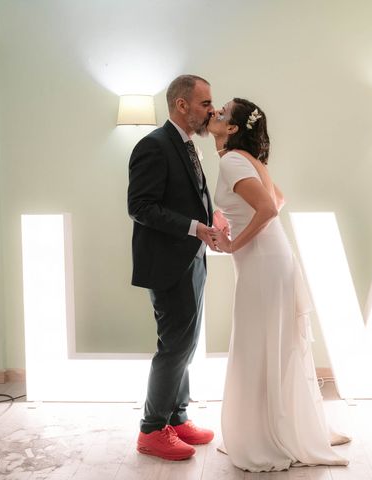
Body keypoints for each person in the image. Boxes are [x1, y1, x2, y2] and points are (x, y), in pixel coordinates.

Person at [208, 98, 350, 472]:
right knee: (270, 342)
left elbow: (270, 208)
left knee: (259, 343)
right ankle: (284, 427)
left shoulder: (231, 161)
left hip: (261, 262)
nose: (214, 114)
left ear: (234, 129)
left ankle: (265, 436)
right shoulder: (245, 160)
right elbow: (279, 199)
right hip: (272, 258)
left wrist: (234, 241)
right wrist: (232, 218)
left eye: (221, 113)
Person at [127, 74, 223, 461]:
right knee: (174, 346)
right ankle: (152, 429)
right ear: (181, 105)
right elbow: (140, 207)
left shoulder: (186, 144)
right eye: (205, 104)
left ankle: (178, 417)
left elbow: (190, 197)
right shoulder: (153, 145)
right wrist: (194, 228)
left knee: (187, 344)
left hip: (192, 259)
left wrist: (210, 219)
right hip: (167, 263)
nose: (212, 110)